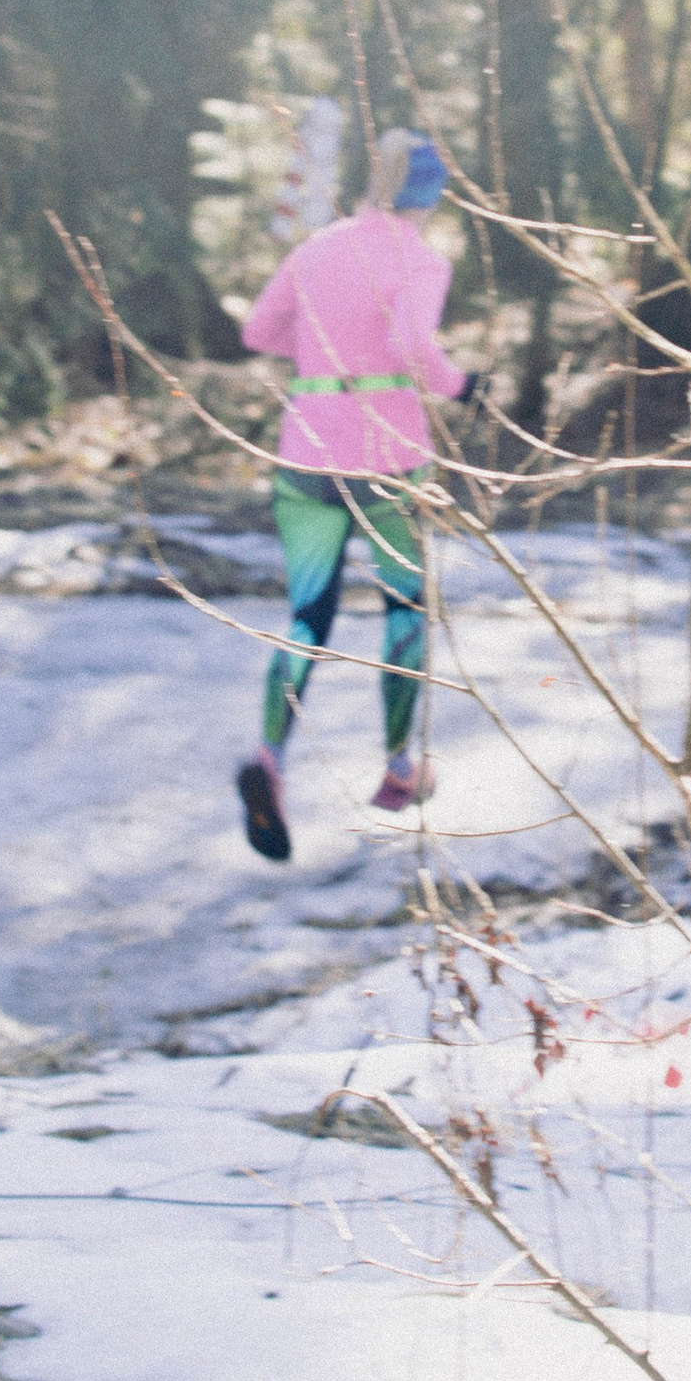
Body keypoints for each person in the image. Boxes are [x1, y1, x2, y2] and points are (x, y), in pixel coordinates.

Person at [231, 124, 471, 863]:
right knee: (404, 605)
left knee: (306, 614)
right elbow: (408, 345)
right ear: (428, 199)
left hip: (306, 446)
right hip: (389, 456)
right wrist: (463, 385)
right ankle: (400, 767)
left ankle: (271, 757)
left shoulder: (318, 246)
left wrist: (321, 349)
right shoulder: (421, 259)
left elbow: (257, 331)